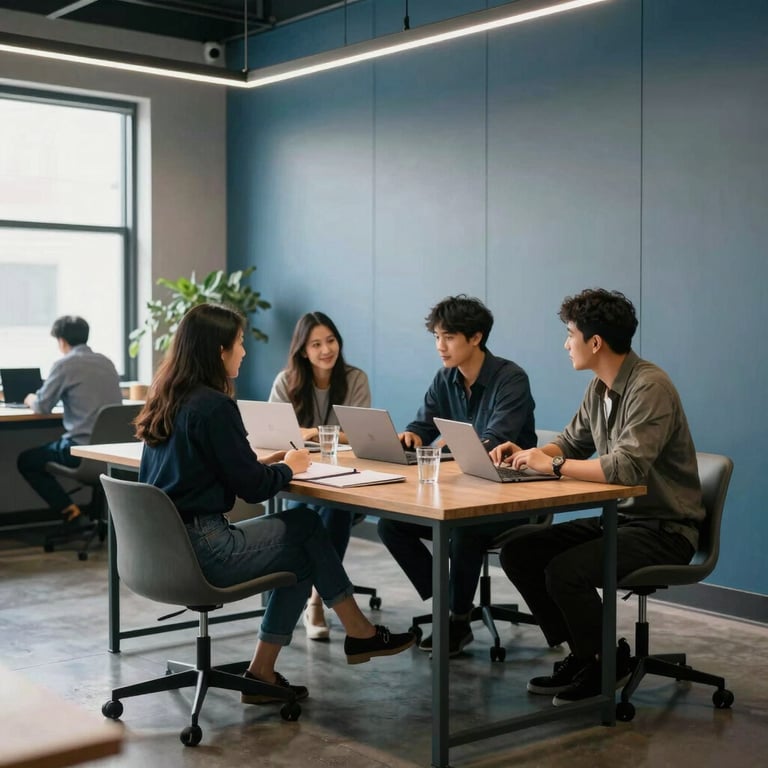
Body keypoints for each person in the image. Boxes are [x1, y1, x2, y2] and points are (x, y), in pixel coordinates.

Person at [137, 303, 413, 704]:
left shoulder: (167, 397)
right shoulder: (215, 405)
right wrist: (292, 467)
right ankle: (358, 632)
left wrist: (266, 463)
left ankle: (267, 671)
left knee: (299, 556)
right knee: (305, 527)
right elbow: (254, 490)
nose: (244, 352)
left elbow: (205, 467)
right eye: (240, 343)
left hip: (161, 552)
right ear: (219, 351)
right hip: (206, 549)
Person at [489, 288, 703, 705]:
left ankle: (607, 662)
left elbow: (625, 468)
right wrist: (529, 454)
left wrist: (549, 466)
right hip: (623, 520)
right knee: (521, 552)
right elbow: (570, 444)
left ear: (595, 342)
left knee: (565, 571)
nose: (566, 343)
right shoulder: (599, 389)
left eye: (570, 334)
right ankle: (586, 654)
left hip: (666, 530)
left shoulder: (649, 387)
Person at [377, 294, 537, 656]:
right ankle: (448, 597)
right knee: (391, 525)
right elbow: (421, 424)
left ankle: (457, 620)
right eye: (436, 337)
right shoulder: (445, 378)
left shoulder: (510, 378)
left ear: (476, 337)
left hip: (511, 499)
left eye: (448, 337)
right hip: (463, 491)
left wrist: (451, 451)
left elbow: (494, 440)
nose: (440, 346)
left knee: (464, 529)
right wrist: (410, 436)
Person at [269, 311, 371, 640]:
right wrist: (328, 434)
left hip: (345, 479)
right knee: (304, 519)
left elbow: (360, 434)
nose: (326, 349)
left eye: (331, 340)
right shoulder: (286, 382)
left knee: (336, 510)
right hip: (298, 480)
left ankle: (314, 600)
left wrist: (308, 432)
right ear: (302, 350)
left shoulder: (355, 379)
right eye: (316, 344)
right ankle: (315, 597)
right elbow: (273, 434)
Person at [18, 315, 122, 526]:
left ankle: (71, 512)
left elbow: (42, 406)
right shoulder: (107, 362)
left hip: (79, 451)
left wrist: (28, 398)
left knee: (27, 460)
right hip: (111, 453)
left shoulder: (65, 364)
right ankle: (91, 516)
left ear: (62, 341)